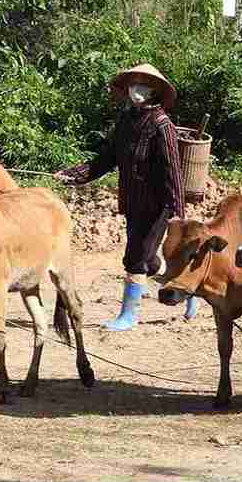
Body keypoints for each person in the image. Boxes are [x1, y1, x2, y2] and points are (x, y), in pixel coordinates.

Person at [55, 63, 197, 330]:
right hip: (132, 201)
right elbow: (108, 158)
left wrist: (177, 209)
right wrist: (76, 174)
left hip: (158, 204)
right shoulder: (126, 121)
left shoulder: (161, 124)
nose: (137, 89)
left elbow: (172, 169)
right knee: (150, 259)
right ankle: (189, 288)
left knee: (135, 257)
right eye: (134, 84)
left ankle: (128, 316)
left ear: (155, 91)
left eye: (144, 84)